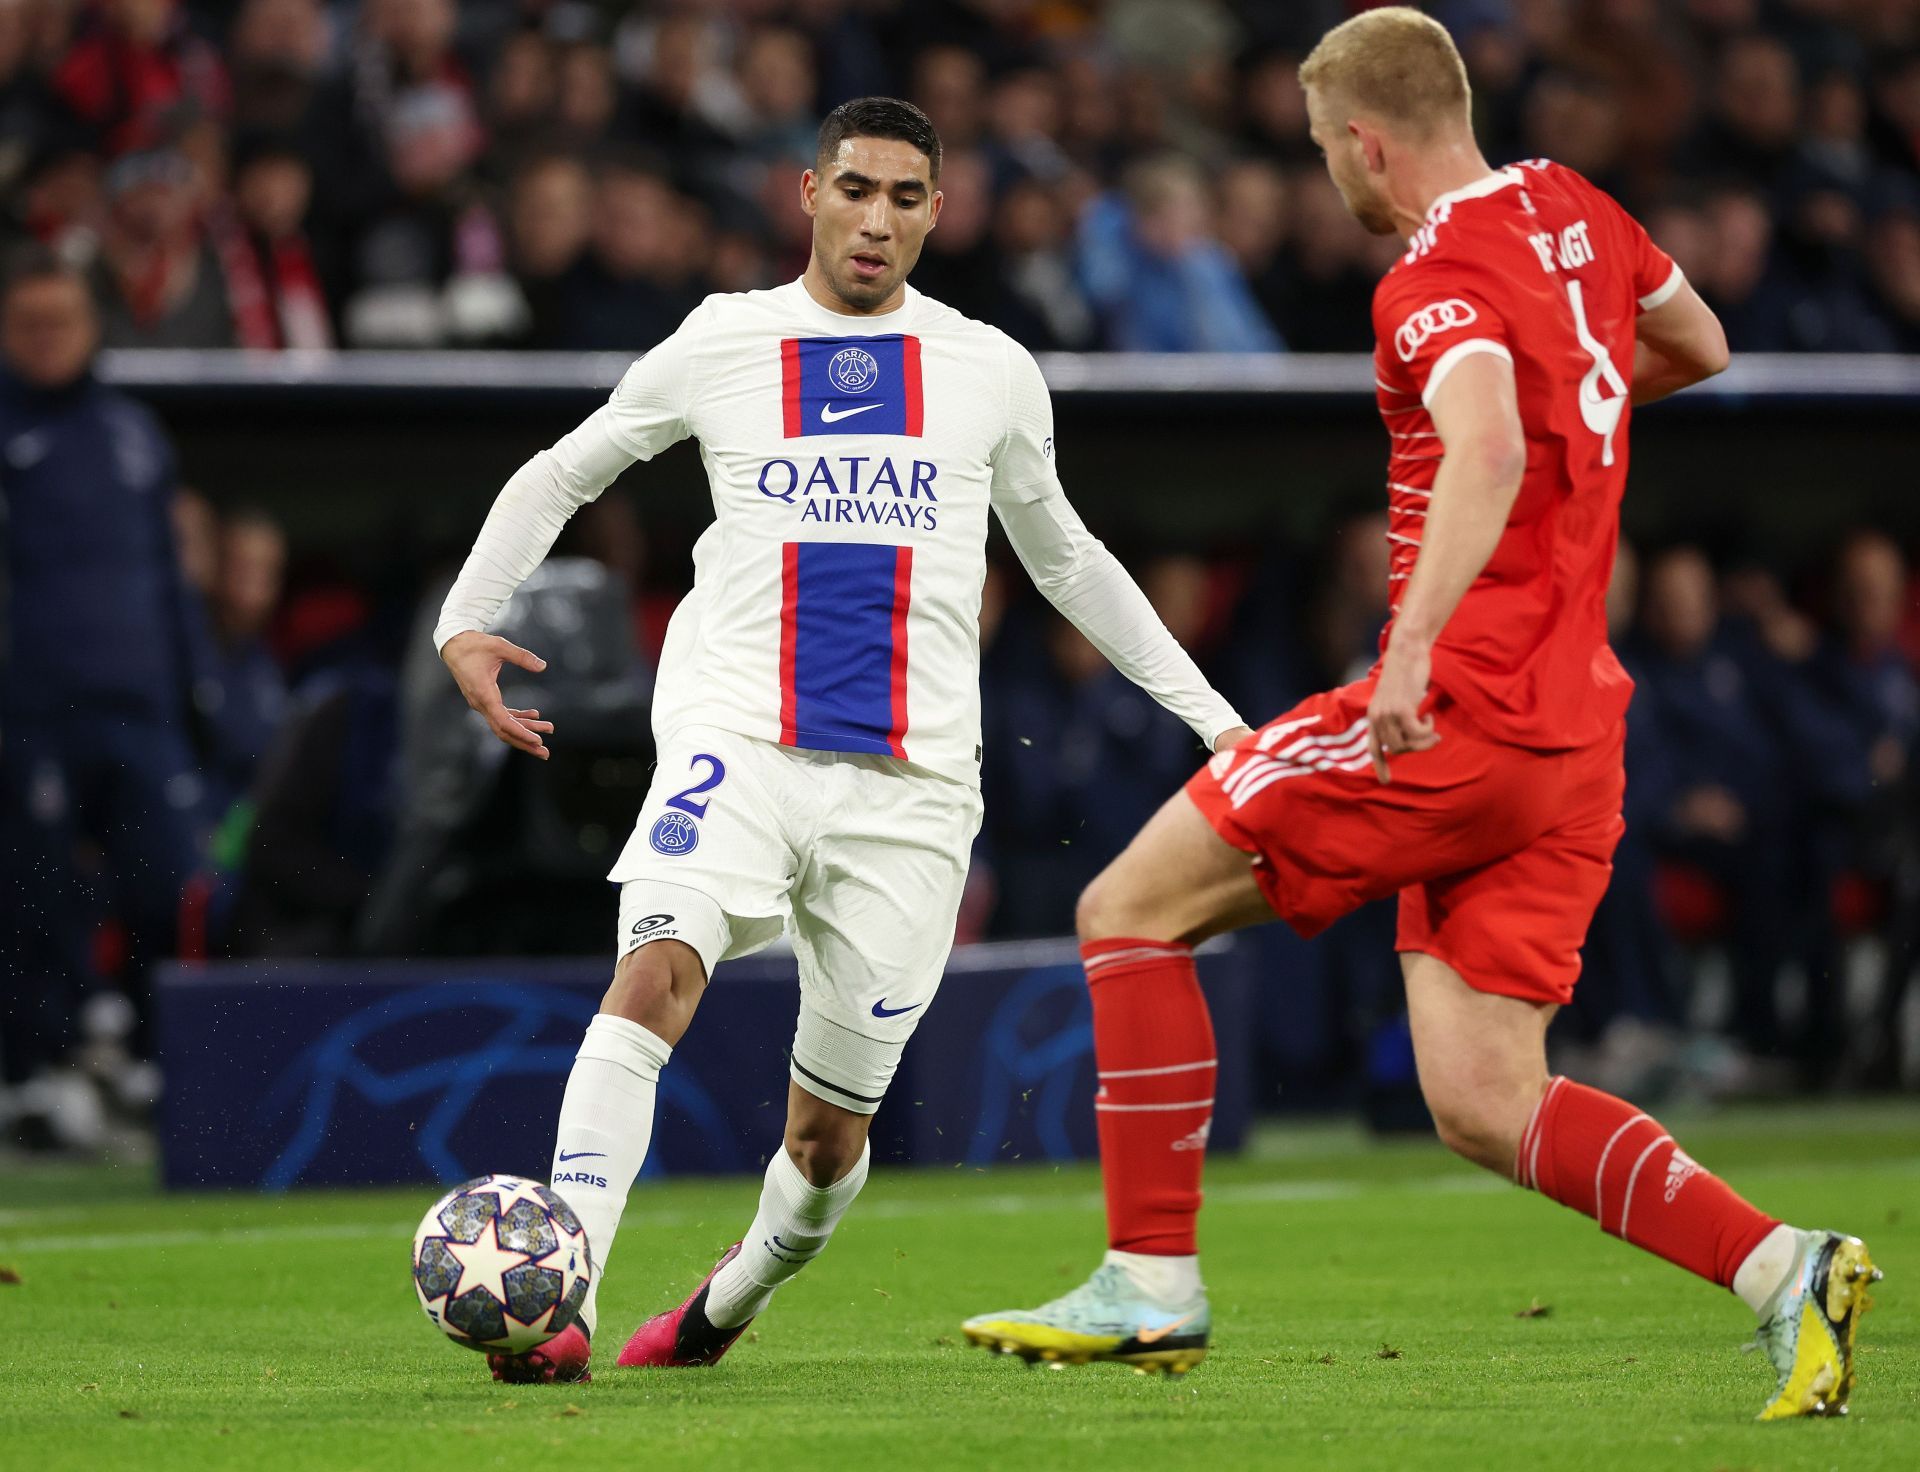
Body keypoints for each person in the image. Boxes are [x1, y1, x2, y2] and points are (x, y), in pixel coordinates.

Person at [962, 9, 1879, 1422]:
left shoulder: (1429, 276)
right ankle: (1783, 1269)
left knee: (1127, 910)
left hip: (1457, 713)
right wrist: (1587, 411)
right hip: (1574, 736)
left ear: (1367, 142)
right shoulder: (1575, 206)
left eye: (1327, 145)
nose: (1329, 170)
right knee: (1485, 1098)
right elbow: (1695, 339)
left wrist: (1411, 654)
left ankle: (1150, 1282)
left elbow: (1495, 441)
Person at [433, 96, 1250, 1385]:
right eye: (856, 189)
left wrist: (1218, 724)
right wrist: (469, 619)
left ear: (936, 210)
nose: (877, 219)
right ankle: (563, 1291)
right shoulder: (725, 340)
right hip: (738, 737)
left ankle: (722, 1302)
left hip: (913, 791)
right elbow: (564, 468)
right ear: (806, 192)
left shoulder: (987, 367)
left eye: (906, 197)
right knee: (653, 970)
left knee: (827, 1140)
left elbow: (1071, 562)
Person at [0, 244, 209, 1130]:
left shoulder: (134, 434)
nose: (49, 339)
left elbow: (170, 580)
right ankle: (36, 1073)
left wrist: (192, 698)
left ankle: (154, 1065)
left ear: (93, 327)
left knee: (166, 883)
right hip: (31, 710)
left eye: (63, 321)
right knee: (35, 895)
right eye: (30, 324)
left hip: (141, 707)